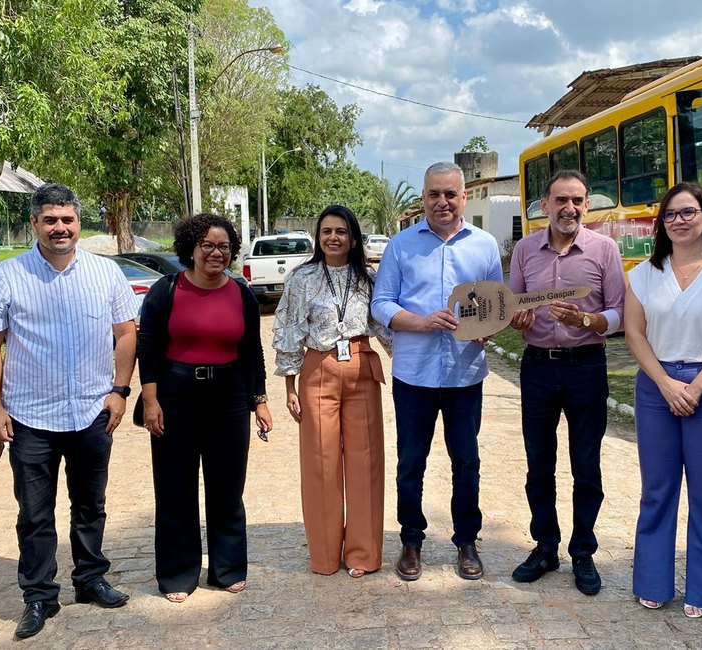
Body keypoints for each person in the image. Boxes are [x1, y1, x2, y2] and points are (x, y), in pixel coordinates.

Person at [0, 183, 139, 639]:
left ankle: (89, 579)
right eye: (50, 220)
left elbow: (126, 332)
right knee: (34, 513)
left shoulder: (105, 273)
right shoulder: (8, 276)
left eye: (67, 219)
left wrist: (120, 390)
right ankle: (40, 596)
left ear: (78, 223)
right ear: (34, 223)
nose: (60, 228)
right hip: (30, 417)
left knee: (91, 504)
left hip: (92, 412)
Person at [624, 183, 702, 617]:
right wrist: (664, 383)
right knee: (657, 491)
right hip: (657, 384)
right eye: (670, 215)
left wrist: (695, 387)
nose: (679, 221)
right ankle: (653, 581)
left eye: (688, 212)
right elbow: (635, 334)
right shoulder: (644, 274)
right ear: (661, 223)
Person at [371, 161, 503, 581]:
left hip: (466, 375)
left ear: (464, 197)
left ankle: (466, 541)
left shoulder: (484, 246)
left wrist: (486, 329)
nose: (442, 202)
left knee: (466, 461)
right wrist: (421, 321)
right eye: (434, 194)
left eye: (450, 194)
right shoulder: (401, 245)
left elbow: (496, 305)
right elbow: (381, 304)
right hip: (414, 375)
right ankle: (411, 541)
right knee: (412, 462)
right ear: (423, 198)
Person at [136, 213, 272, 602]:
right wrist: (150, 399)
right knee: (175, 487)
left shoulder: (242, 294)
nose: (216, 253)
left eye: (224, 247)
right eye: (208, 245)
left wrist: (259, 401)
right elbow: (147, 347)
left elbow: (252, 353)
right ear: (191, 249)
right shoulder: (166, 290)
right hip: (176, 394)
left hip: (228, 397)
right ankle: (178, 574)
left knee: (227, 487)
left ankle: (226, 568)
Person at [506, 169, 626, 595]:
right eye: (560, 200)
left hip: (586, 367)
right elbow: (512, 310)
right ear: (545, 206)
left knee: (586, 464)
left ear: (587, 205)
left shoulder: (605, 250)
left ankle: (583, 551)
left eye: (577, 200)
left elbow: (619, 312)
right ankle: (545, 546)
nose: (569, 208)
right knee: (539, 463)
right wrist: (516, 320)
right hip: (537, 366)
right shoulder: (524, 251)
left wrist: (588, 320)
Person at [273, 205, 391, 578]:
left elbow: (385, 324)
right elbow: (289, 328)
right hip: (318, 369)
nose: (333, 238)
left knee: (365, 462)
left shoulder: (369, 277)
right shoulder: (301, 278)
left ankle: (364, 554)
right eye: (326, 231)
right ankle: (324, 556)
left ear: (353, 237)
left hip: (361, 366)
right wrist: (290, 384)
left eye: (341, 231)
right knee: (321, 463)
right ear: (317, 237)